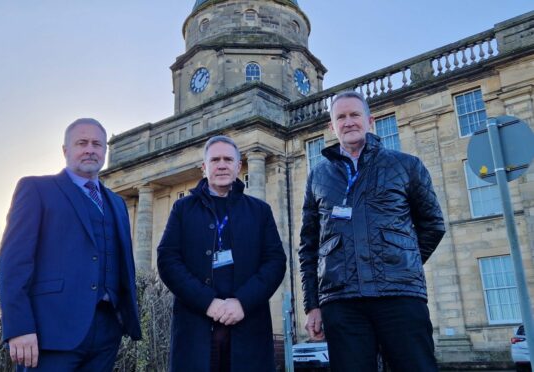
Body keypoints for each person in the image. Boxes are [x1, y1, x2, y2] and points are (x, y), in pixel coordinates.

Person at [298, 91, 446, 372]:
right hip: (342, 303)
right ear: (332, 126)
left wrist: (401, 261)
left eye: (355, 115)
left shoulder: (406, 165)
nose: (348, 122)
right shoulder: (318, 176)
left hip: (399, 296)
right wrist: (312, 306)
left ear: (370, 120)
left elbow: (433, 225)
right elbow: (309, 247)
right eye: (340, 117)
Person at [0, 118, 141, 371]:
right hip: (49, 332)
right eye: (81, 143)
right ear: (65, 151)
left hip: (106, 331)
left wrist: (122, 319)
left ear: (105, 151)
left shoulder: (117, 202)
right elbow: (13, 263)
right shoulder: (36, 189)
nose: (90, 149)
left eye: (97, 144)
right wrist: (19, 327)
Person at [157, 135, 286, 372]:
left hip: (248, 327)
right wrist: (208, 302)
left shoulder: (260, 210)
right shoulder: (182, 209)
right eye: (215, 160)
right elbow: (168, 260)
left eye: (228, 159)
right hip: (196, 327)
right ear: (204, 167)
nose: (222, 165)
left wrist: (242, 302)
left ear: (238, 166)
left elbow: (275, 262)